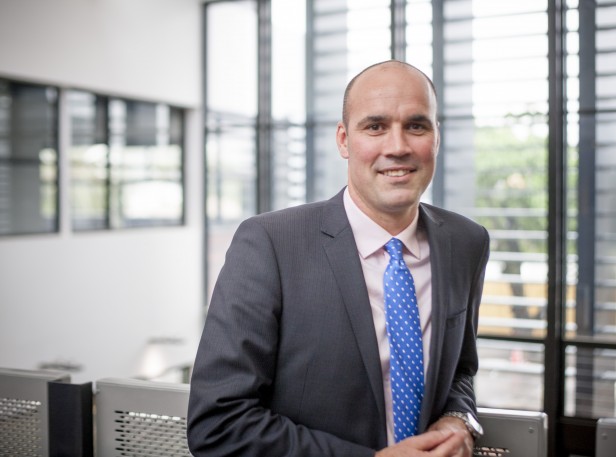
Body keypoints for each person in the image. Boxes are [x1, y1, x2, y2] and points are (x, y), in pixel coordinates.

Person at [187, 60, 490, 457]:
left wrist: (458, 417)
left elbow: (459, 370)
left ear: (435, 138)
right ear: (344, 140)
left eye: (416, 126)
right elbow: (219, 424)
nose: (397, 147)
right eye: (375, 126)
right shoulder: (270, 243)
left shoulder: (467, 242)